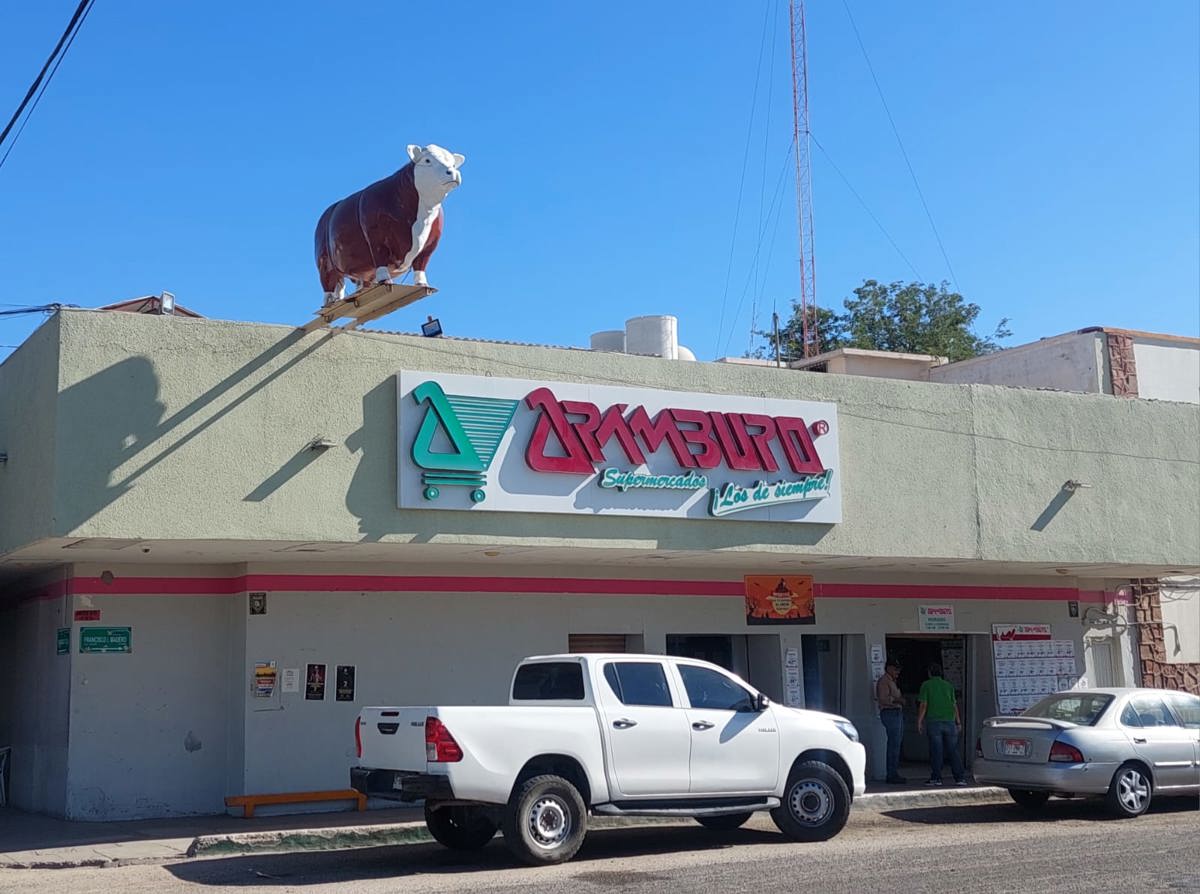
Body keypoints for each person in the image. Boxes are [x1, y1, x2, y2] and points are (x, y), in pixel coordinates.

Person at [916, 662, 968, 786]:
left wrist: (919, 721)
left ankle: (936, 778)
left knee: (936, 751)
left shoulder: (926, 685)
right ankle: (960, 778)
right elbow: (954, 705)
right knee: (953, 750)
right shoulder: (948, 686)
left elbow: (923, 704)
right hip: (950, 722)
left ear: (929, 673)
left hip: (934, 722)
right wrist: (958, 722)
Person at [875, 658, 906, 784]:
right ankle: (891, 774)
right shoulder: (884, 681)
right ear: (888, 668)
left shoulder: (893, 681)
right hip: (890, 713)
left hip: (896, 713)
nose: (897, 672)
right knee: (893, 744)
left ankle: (894, 772)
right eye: (895, 669)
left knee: (897, 744)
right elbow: (883, 699)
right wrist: (898, 700)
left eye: (899, 670)